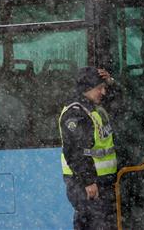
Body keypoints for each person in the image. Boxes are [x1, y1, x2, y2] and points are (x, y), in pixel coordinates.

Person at [59, 66, 118, 230]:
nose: (103, 92)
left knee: (94, 223)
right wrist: (88, 181)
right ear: (87, 89)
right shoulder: (76, 113)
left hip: (101, 181)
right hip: (84, 182)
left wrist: (111, 83)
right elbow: (75, 151)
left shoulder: (94, 105)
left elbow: (120, 103)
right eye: (100, 88)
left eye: (104, 88)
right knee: (95, 224)